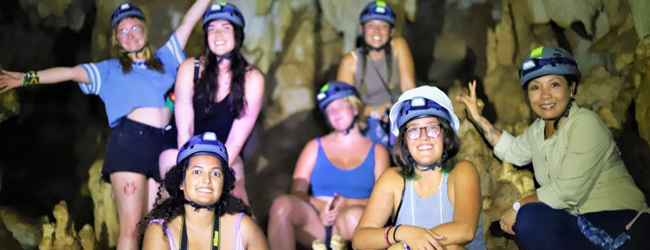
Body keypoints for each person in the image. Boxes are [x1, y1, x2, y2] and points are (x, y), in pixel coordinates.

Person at [0, 2, 211, 249]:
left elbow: (188, 21)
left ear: (144, 29)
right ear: (116, 40)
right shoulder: (108, 71)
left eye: (134, 27)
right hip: (130, 144)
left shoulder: (167, 57)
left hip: (164, 146)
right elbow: (68, 72)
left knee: (160, 226)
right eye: (122, 32)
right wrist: (26, 78)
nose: (130, 35)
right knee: (132, 229)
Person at [456, 45, 650, 249]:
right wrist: (478, 119)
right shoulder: (538, 130)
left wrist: (518, 205)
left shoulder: (585, 123)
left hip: (622, 225)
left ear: (572, 87)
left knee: (529, 217)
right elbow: (512, 151)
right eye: (535, 87)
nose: (545, 95)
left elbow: (566, 191)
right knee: (532, 219)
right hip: (581, 226)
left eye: (554, 84)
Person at [353, 86, 486, 250]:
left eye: (432, 128)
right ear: (404, 140)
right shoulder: (393, 179)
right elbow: (360, 239)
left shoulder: (462, 171)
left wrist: (408, 244)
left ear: (445, 134)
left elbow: (465, 229)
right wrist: (402, 233)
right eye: (413, 130)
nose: (423, 137)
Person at [159, 2, 264, 205]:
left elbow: (235, 140)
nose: (218, 34)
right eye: (212, 29)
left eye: (226, 27)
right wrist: (191, 168)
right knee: (172, 191)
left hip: (225, 148)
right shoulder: (190, 68)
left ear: (238, 34)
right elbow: (185, 127)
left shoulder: (253, 79)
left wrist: (214, 170)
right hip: (181, 144)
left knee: (236, 195)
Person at [267, 81, 390, 250]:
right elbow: (297, 192)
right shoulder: (314, 147)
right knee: (282, 205)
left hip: (355, 223)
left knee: (354, 217)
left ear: (355, 108)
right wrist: (322, 206)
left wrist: (348, 203)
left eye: (340, 105)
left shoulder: (378, 151)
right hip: (317, 223)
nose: (335, 113)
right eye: (329, 110)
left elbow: (384, 202)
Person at [139, 131, 268, 250]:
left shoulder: (244, 228)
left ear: (223, 184)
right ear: (180, 182)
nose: (207, 180)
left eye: (215, 174)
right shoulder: (160, 231)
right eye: (197, 172)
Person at [337, 1, 416, 148]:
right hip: (367, 120)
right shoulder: (350, 62)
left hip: (397, 116)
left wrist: (404, 111)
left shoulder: (398, 46)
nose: (377, 32)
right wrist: (374, 110)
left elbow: (409, 88)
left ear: (391, 31)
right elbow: (343, 107)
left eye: (383, 26)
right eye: (371, 26)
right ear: (362, 29)